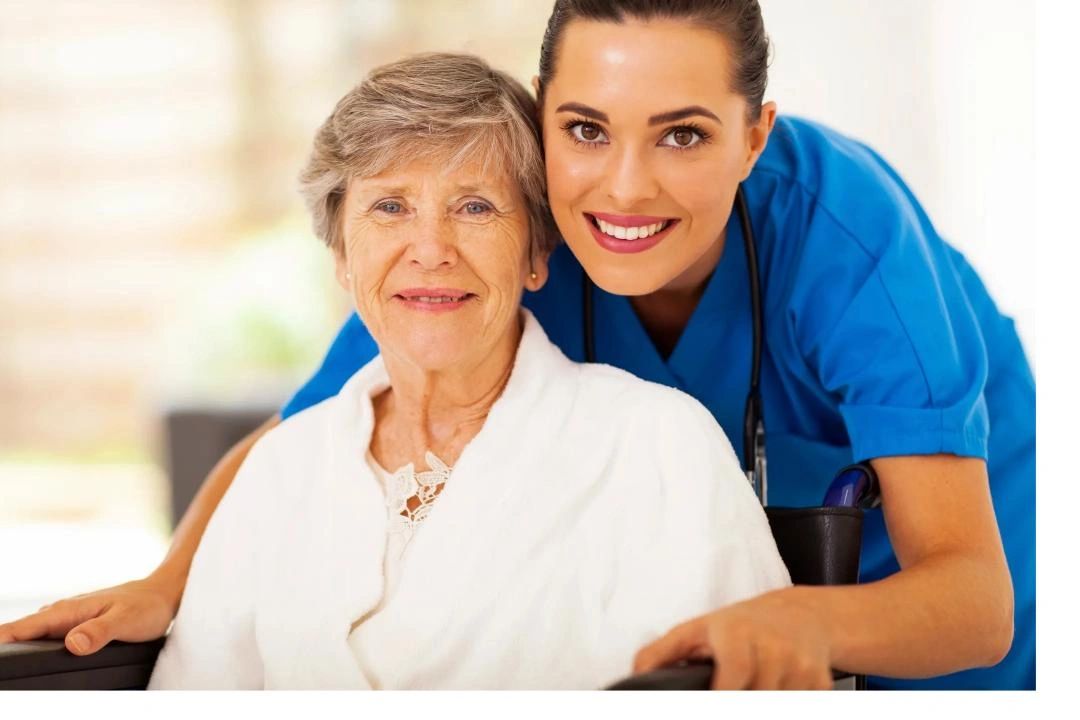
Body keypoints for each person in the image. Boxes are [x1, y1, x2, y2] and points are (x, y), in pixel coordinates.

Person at [0, 0, 1033, 691]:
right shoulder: (500, 230)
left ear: (754, 137)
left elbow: (971, 597)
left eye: (682, 134)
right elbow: (296, 438)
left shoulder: (845, 245)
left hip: (936, 583)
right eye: (586, 128)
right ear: (545, 123)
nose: (624, 187)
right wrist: (168, 583)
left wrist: (811, 624)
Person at [142, 51, 791, 690]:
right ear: (341, 256)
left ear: (537, 253)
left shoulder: (658, 444)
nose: (430, 250)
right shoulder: (280, 469)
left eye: (475, 207)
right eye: (390, 207)